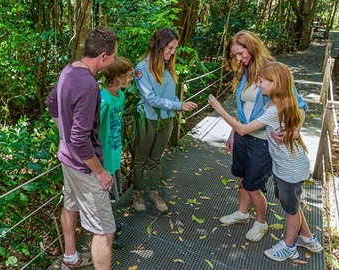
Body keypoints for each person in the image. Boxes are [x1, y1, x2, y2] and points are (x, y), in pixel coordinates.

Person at [208, 62, 323, 262]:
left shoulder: (274, 109)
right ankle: (307, 237)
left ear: (276, 83)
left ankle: (289, 246)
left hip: (290, 168)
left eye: (262, 81)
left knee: (290, 208)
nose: (258, 84)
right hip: (284, 165)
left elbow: (244, 129)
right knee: (289, 203)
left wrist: (219, 108)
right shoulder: (277, 102)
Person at [219, 30, 308, 242]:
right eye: (235, 56)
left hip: (263, 140)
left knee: (253, 183)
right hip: (243, 135)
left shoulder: (271, 70)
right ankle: (242, 212)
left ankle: (261, 222)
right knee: (241, 176)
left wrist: (294, 131)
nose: (239, 59)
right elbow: (244, 107)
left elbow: (300, 105)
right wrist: (234, 132)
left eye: (241, 53)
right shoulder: (246, 70)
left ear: (251, 46)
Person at [45, 26, 118, 270]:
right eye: (114, 55)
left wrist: (63, 133)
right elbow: (79, 138)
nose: (115, 60)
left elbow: (51, 102)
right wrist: (100, 172)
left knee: (70, 206)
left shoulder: (69, 69)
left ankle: (70, 257)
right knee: (105, 231)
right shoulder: (88, 85)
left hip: (67, 159)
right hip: (84, 167)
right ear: (103, 57)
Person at [132, 28, 197, 213]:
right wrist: (178, 106)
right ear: (158, 45)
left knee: (156, 159)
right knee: (141, 159)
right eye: (169, 48)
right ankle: (137, 193)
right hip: (148, 120)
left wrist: (180, 103)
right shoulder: (142, 68)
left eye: (175, 48)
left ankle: (154, 192)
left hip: (166, 119)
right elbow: (151, 99)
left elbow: (170, 95)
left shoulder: (168, 67)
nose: (172, 52)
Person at [100, 56, 134, 248]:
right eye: (128, 76)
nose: (130, 79)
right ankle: (107, 235)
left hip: (114, 155)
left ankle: (109, 224)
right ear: (118, 77)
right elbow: (91, 131)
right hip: (102, 160)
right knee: (102, 199)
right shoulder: (102, 100)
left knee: (111, 197)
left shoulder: (120, 96)